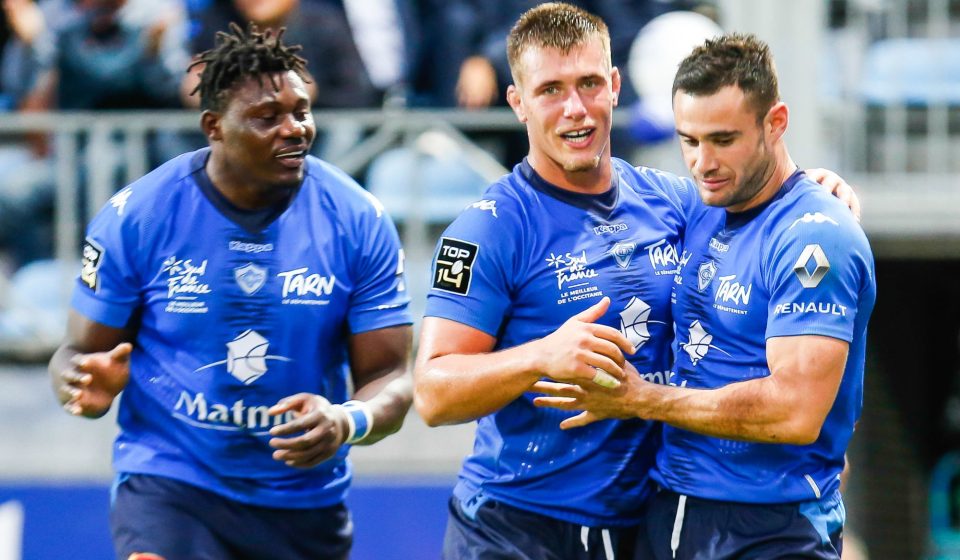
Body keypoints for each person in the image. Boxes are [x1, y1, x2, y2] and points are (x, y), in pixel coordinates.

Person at [414, 4, 857, 560]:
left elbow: (762, 200)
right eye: (550, 89)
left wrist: (813, 191)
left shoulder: (674, 203)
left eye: (590, 83)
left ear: (617, 85)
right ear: (517, 102)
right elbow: (432, 393)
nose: (575, 109)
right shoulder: (487, 230)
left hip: (642, 526)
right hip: (517, 528)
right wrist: (539, 357)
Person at [48, 22, 413, 560]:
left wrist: (346, 419)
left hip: (301, 501)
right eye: (267, 118)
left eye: (302, 111)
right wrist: (80, 383)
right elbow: (77, 355)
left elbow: (391, 377)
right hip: (173, 483)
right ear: (213, 126)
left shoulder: (358, 220)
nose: (294, 129)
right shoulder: (139, 217)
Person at [534, 33, 876, 559]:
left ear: (775, 123)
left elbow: (795, 412)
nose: (703, 163)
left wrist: (641, 399)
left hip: (770, 529)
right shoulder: (701, 207)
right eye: (689, 141)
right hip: (671, 513)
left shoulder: (814, 236)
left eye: (723, 139)